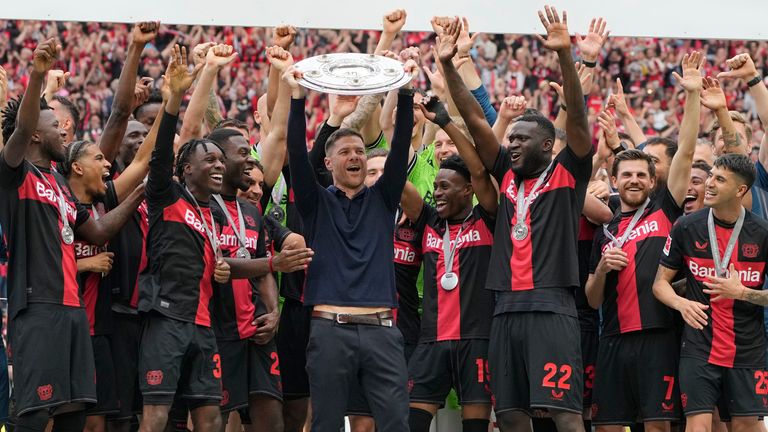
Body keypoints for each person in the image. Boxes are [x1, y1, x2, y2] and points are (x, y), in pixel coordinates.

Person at [440, 10, 593, 431]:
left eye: (521, 139)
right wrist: (447, 65)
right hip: (504, 307)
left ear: (548, 144)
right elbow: (473, 119)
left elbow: (578, 117)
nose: (512, 146)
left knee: (564, 413)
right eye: (511, 140)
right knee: (508, 414)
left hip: (551, 306)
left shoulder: (568, 172)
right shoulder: (506, 173)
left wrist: (565, 54)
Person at [0, 38, 143, 432]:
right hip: (38, 307)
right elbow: (23, 125)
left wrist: (143, 189)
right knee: (32, 416)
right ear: (32, 135)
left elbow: (97, 231)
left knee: (74, 414)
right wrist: (37, 75)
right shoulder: (16, 175)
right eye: (54, 128)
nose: (65, 134)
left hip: (73, 310)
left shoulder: (60, 185)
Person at [283, 44, 416, 429]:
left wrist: (405, 90)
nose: (355, 156)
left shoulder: (384, 198)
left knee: (394, 422)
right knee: (325, 422)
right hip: (329, 330)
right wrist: (296, 99)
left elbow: (401, 143)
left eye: (360, 150)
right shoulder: (314, 203)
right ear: (329, 163)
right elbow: (294, 150)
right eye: (346, 152)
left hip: (382, 332)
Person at [584, 51, 702, 432]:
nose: (634, 180)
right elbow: (592, 298)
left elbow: (685, 150)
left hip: (660, 338)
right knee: (607, 427)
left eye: (641, 175)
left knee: (658, 426)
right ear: (614, 181)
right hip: (614, 338)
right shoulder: (605, 229)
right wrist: (601, 268)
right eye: (626, 175)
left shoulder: (665, 209)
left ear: (653, 181)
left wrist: (693, 95)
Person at [401, 92, 499, 432]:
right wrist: (404, 109)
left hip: (478, 340)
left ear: (468, 190)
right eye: (436, 187)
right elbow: (396, 179)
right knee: (412, 424)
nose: (437, 193)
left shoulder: (487, 219)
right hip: (431, 340)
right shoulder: (428, 221)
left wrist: (444, 121)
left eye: (446, 187)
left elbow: (480, 171)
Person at [653, 153, 768, 432]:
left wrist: (742, 292)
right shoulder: (686, 226)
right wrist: (680, 303)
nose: (710, 184)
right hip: (698, 345)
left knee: (746, 427)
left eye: (719, 179)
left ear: (740, 190)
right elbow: (659, 284)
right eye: (711, 176)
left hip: (747, 348)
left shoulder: (762, 232)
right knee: (698, 426)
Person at [206, 127, 283, 432]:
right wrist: (275, 262)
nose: (250, 162)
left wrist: (274, 311)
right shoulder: (204, 208)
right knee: (214, 420)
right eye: (242, 155)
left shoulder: (252, 213)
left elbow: (262, 270)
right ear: (219, 161)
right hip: (218, 329)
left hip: (258, 327)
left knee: (272, 421)